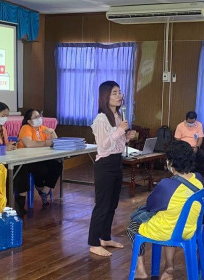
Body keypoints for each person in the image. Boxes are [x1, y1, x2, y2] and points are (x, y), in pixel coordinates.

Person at [126, 140, 204, 280]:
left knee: (133, 226)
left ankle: (141, 270)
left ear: (172, 163)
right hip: (189, 228)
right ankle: (169, 267)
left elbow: (151, 206)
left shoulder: (167, 185)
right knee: (172, 217)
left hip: (168, 231)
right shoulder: (198, 179)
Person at [88, 81, 136, 257]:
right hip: (105, 164)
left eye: (120, 92)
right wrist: (119, 130)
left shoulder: (117, 116)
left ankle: (105, 237)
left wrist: (127, 136)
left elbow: (116, 143)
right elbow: (103, 145)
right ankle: (93, 243)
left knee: (112, 204)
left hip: (117, 161)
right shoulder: (101, 119)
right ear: (105, 96)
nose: (119, 95)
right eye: (114, 93)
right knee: (102, 205)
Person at [14, 109, 63, 214]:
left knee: (57, 164)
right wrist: (45, 143)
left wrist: (52, 132)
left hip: (41, 158)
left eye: (39, 116)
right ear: (29, 121)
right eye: (35, 117)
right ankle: (40, 187)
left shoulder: (43, 128)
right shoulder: (26, 128)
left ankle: (45, 189)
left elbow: (57, 143)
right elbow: (29, 144)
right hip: (27, 160)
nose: (39, 118)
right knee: (42, 170)